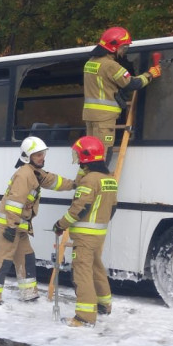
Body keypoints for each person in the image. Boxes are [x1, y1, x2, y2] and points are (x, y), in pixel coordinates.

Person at [0, 136, 74, 304]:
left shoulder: (35, 173)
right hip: (9, 227)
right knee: (1, 260)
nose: (42, 157)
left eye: (43, 153)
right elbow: (14, 203)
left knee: (26, 257)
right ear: (28, 156)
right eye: (38, 155)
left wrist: (76, 184)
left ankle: (29, 294)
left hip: (19, 227)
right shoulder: (24, 175)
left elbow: (54, 181)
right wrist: (10, 227)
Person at [53, 135, 119, 328]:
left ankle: (84, 317)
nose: (77, 160)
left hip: (84, 236)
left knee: (81, 273)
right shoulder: (109, 179)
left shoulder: (89, 181)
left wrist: (60, 224)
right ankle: (104, 304)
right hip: (98, 235)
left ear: (87, 157)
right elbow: (113, 208)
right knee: (96, 268)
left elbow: (79, 209)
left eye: (79, 156)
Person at [82, 26, 162, 155]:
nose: (124, 51)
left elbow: (104, 84)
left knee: (89, 152)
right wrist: (150, 74)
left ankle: (84, 175)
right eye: (123, 47)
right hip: (104, 118)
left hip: (90, 116)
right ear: (113, 47)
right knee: (102, 154)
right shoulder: (110, 65)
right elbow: (132, 83)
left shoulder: (90, 63)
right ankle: (100, 176)